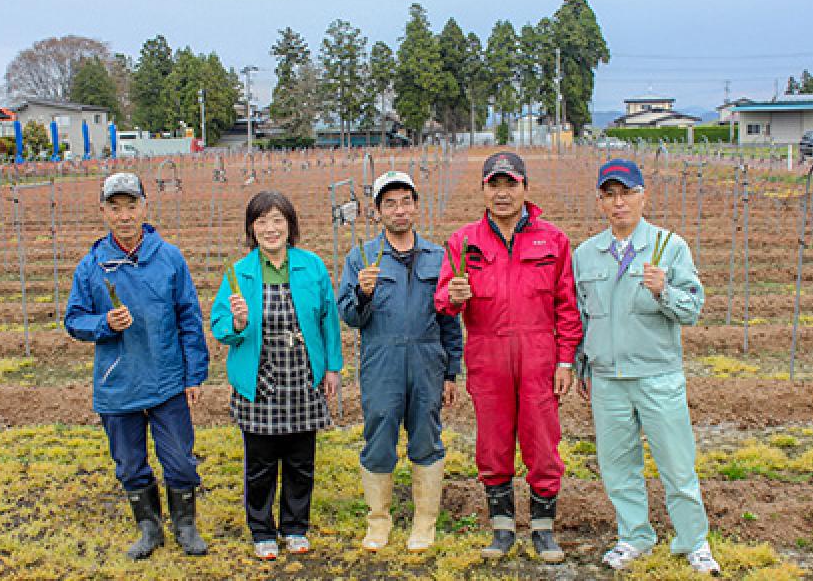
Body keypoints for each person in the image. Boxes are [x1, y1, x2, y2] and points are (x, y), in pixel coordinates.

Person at [572, 158, 721, 576]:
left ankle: (694, 542)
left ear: (643, 196)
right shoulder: (586, 254)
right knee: (618, 465)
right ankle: (634, 536)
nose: (618, 203)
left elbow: (692, 309)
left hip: (657, 376)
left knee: (677, 464)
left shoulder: (669, 246)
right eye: (609, 195)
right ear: (601, 201)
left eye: (626, 193)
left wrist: (664, 291)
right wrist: (582, 364)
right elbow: (581, 317)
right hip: (608, 381)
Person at [434, 152, 583, 562]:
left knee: (542, 441)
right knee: (494, 441)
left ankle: (542, 528)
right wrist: (453, 296)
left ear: (525, 188)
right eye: (493, 185)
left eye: (510, 184)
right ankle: (501, 527)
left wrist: (565, 360)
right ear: (483, 189)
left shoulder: (553, 240)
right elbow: (443, 299)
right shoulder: (464, 241)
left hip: (539, 354)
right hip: (487, 352)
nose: (501, 193)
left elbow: (567, 306)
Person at [64, 172, 209, 560]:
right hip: (118, 381)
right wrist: (103, 325)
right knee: (129, 461)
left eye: (132, 206)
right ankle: (148, 527)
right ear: (103, 212)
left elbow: (189, 318)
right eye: (115, 208)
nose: (124, 216)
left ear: (145, 207)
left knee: (178, 457)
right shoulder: (92, 266)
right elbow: (73, 320)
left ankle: (185, 524)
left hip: (166, 378)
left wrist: (194, 373)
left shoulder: (169, 258)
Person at [210, 190, 343, 561]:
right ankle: (262, 530)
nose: (271, 229)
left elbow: (328, 320)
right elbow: (219, 326)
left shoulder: (311, 266)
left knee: (301, 462)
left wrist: (333, 367)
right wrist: (236, 322)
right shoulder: (240, 273)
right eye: (262, 221)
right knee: (261, 465)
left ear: (290, 225)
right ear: (252, 229)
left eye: (278, 220)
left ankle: (295, 526)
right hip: (260, 383)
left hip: (302, 381)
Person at [337, 171, 463, 553]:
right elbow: (349, 316)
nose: (399, 210)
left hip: (427, 360)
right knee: (379, 436)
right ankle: (379, 521)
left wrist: (450, 372)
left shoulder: (438, 257)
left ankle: (424, 522)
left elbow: (449, 318)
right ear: (377, 212)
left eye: (406, 201)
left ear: (416, 206)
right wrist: (362, 292)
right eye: (389, 203)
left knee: (426, 435)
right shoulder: (361, 258)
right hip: (382, 360)